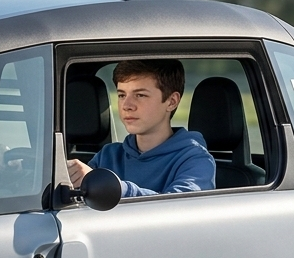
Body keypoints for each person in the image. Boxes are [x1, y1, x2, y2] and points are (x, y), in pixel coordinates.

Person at [67, 59, 215, 197]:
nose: (126, 106)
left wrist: (109, 185)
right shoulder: (108, 156)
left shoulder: (196, 160)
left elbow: (177, 210)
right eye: (121, 95)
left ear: (171, 102)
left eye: (140, 95)